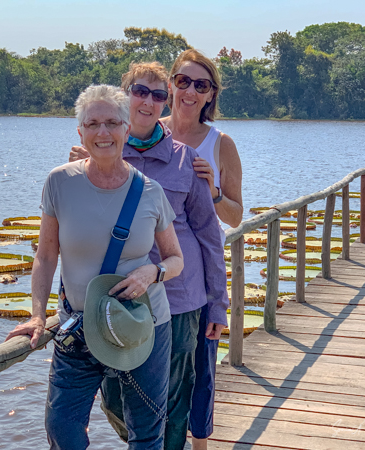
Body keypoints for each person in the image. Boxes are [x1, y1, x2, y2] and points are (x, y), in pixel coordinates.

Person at [6, 84, 184, 450]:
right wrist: (37, 316)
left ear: (126, 129)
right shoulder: (59, 182)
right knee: (62, 429)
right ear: (80, 132)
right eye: (93, 124)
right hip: (79, 327)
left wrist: (152, 272)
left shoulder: (150, 191)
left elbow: (175, 259)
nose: (103, 132)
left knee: (147, 434)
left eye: (112, 123)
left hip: (141, 326)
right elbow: (45, 256)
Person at [69, 62, 228, 449]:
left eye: (158, 95)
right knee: (115, 399)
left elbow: (210, 236)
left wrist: (218, 304)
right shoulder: (96, 153)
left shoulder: (186, 160)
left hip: (179, 301)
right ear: (125, 97)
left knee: (173, 403)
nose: (148, 101)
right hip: (117, 298)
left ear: (166, 101)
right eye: (140, 91)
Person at [162, 49, 243, 450]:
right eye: (183, 81)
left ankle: (200, 446)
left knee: (200, 374)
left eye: (201, 85)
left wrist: (212, 192)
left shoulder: (220, 143)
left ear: (211, 94)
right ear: (170, 85)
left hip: (201, 277)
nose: (190, 92)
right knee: (147, 377)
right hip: (151, 275)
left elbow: (236, 215)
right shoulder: (146, 131)